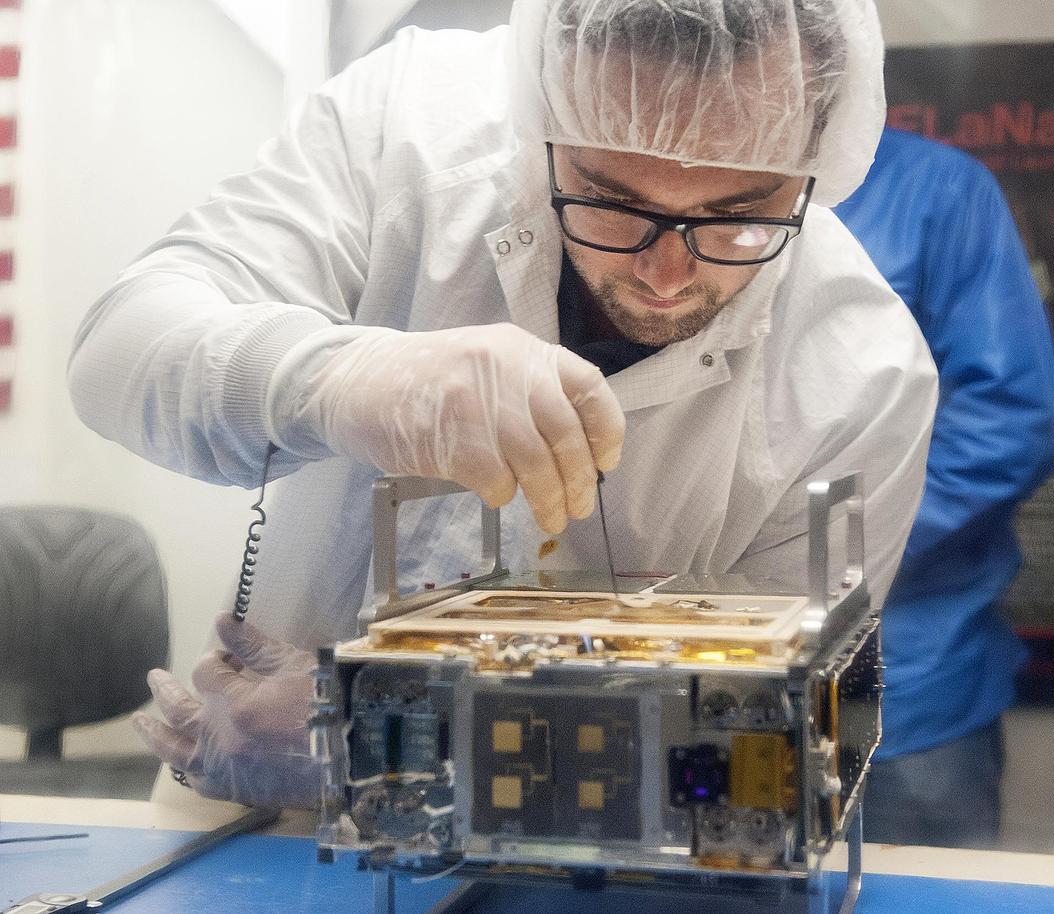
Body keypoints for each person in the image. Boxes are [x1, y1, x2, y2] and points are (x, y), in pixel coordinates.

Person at [69, 0, 937, 808]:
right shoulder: (408, 129)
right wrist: (334, 378)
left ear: (818, 157)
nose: (665, 275)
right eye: (613, 201)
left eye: (737, 218)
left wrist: (392, 741)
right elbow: (119, 350)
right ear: (543, 116)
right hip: (267, 820)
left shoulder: (857, 378)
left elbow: (766, 741)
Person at [832, 127, 1054, 847]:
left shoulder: (938, 189)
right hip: (698, 676)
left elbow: (1008, 425)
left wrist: (827, 558)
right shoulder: (668, 194)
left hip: (907, 680)